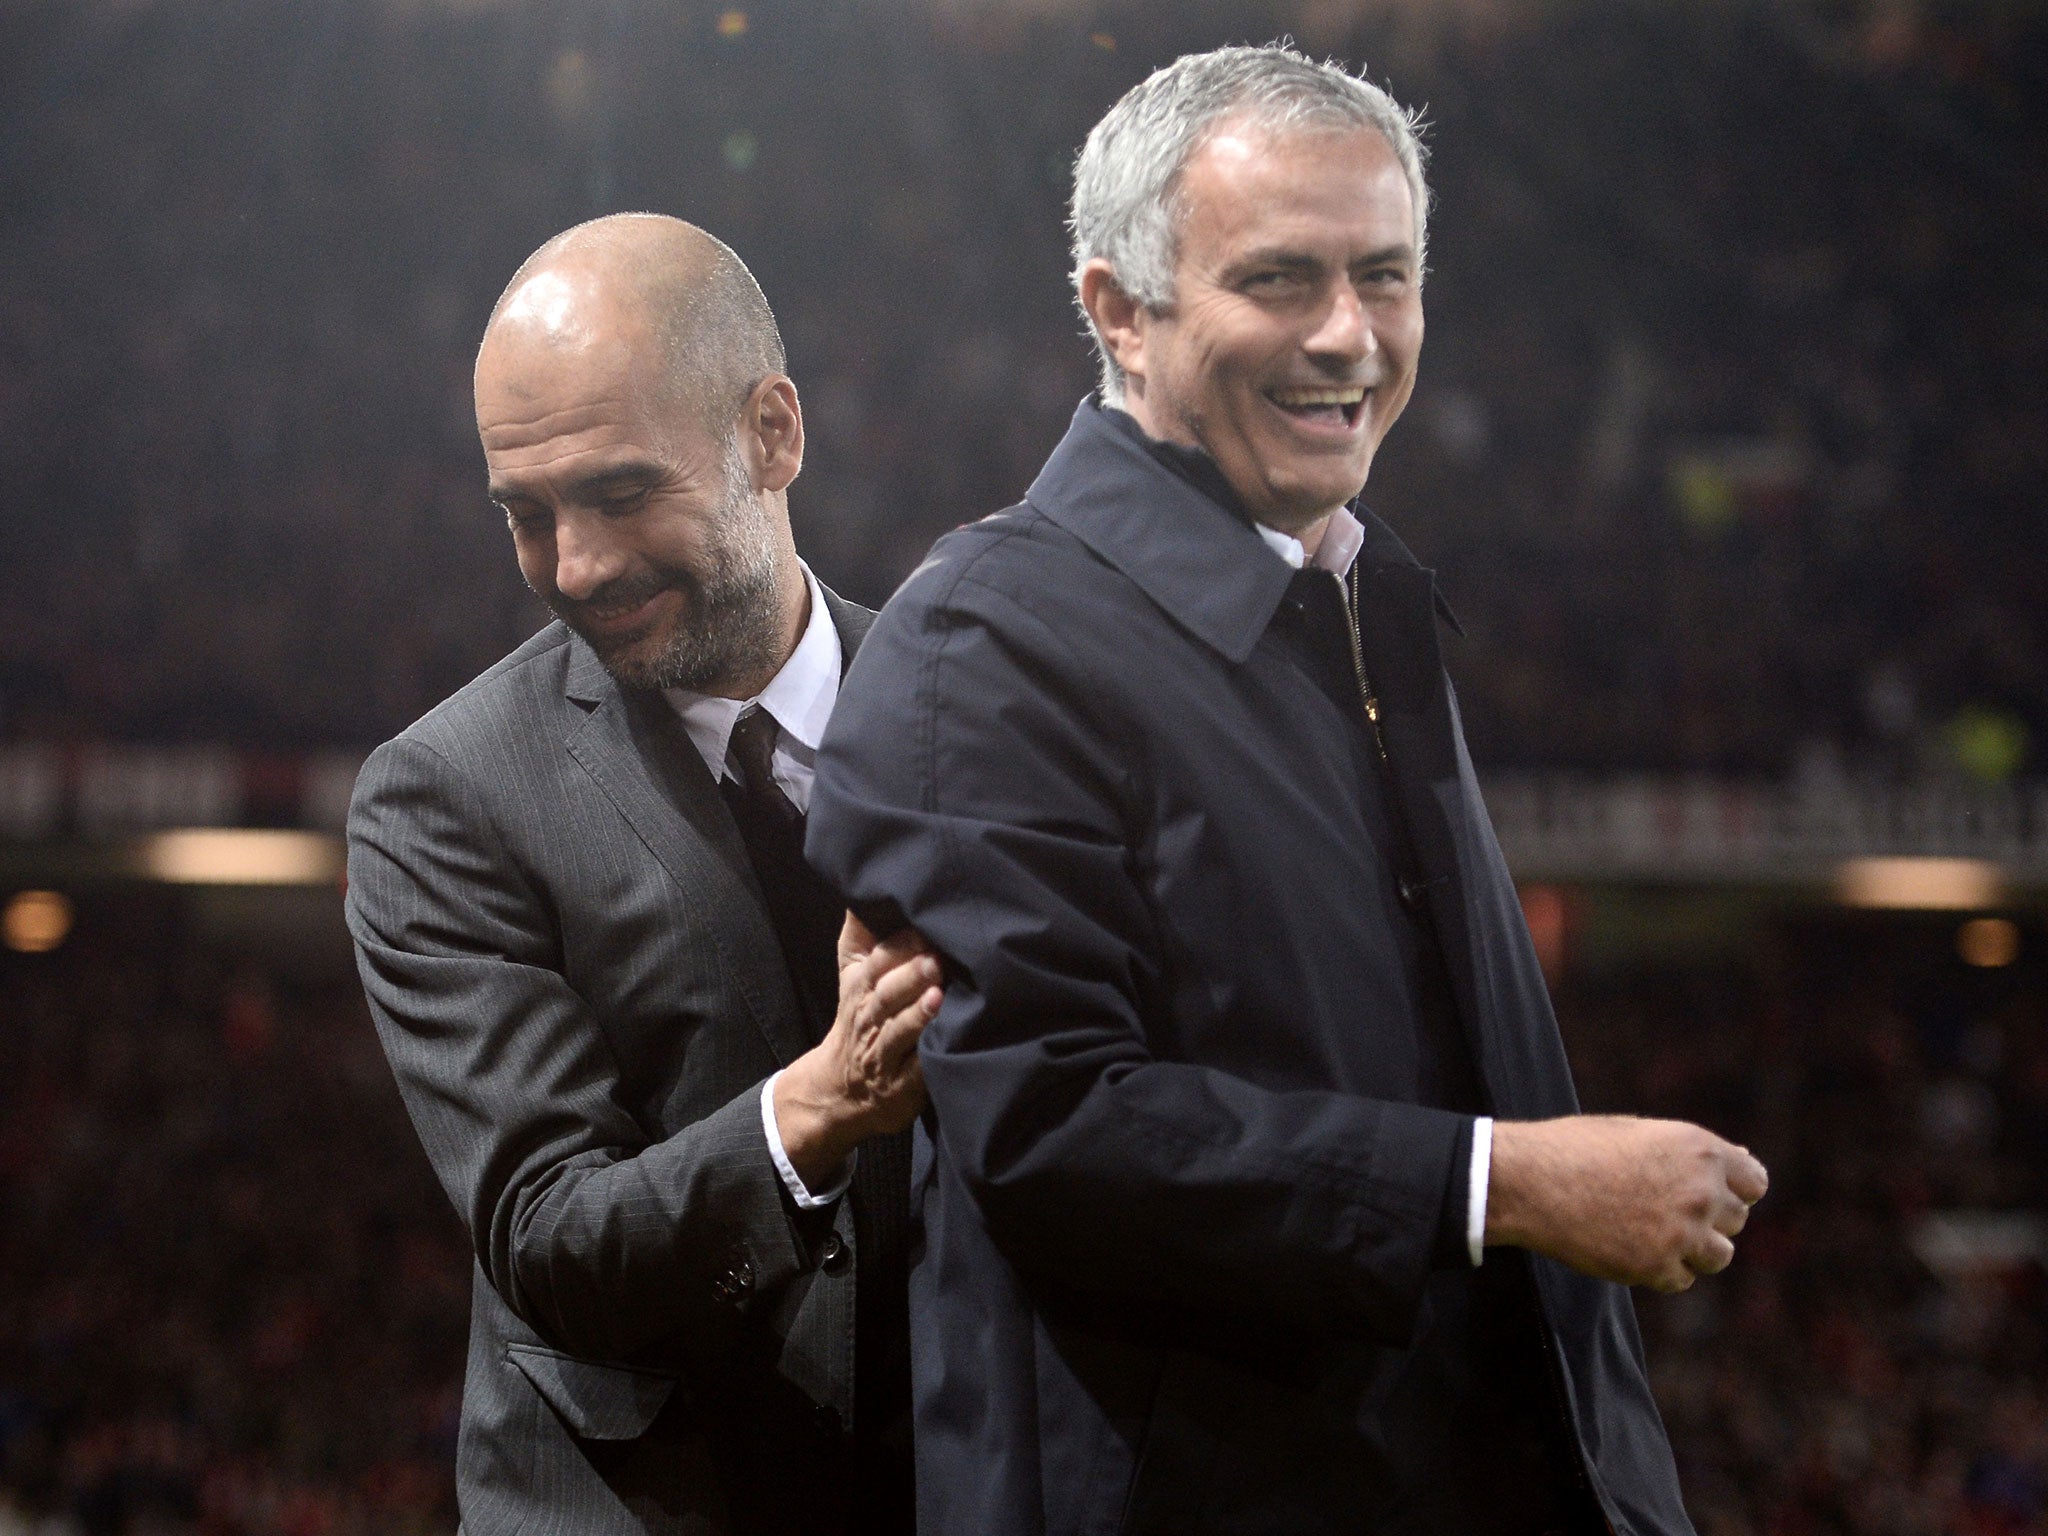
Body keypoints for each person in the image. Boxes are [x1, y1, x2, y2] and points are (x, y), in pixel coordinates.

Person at [806, 46, 1767, 1536]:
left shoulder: (1361, 594)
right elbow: (1054, 1129)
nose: (1351, 336)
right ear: (1120, 312)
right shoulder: (983, 644)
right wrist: (1496, 1184)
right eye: (1280, 280)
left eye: (1386, 277)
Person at [346, 214, 933, 1536]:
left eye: (620, 493)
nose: (575, 565)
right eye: (527, 513)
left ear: (773, 433)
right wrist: (822, 1106)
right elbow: (552, 1242)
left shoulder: (989, 724)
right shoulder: (446, 797)